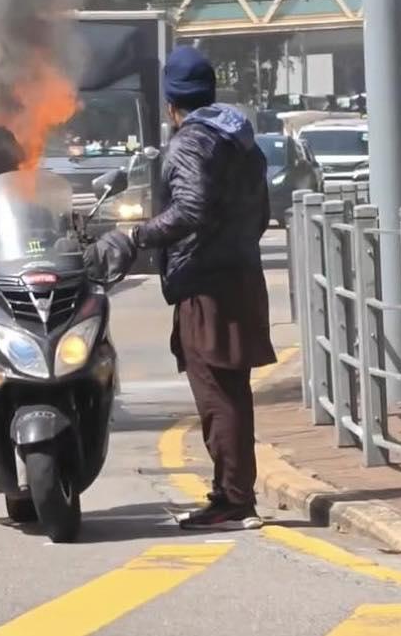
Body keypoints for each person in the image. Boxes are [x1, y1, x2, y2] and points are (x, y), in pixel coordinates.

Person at [125, 45, 277, 530]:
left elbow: (190, 209)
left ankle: (232, 500)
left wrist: (136, 236)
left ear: (172, 105)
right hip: (239, 276)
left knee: (216, 393)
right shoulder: (242, 140)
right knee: (232, 392)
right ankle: (235, 494)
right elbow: (260, 214)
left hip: (206, 286)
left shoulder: (189, 142)